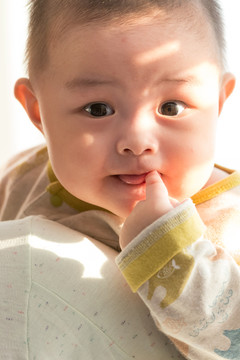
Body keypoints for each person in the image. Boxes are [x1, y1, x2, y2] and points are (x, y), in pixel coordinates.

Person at [0, 0, 240, 359]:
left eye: (171, 107)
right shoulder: (25, 175)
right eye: (98, 109)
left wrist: (167, 250)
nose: (137, 141)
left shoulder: (230, 217)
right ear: (38, 111)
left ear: (218, 102)